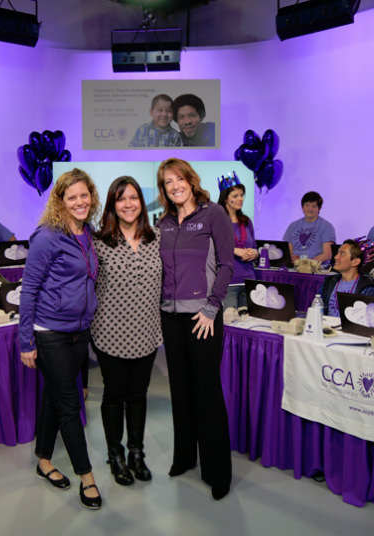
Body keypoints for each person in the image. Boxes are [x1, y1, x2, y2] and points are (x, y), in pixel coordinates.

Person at [19, 168, 103, 510]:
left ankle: (43, 460)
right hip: (50, 332)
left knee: (55, 398)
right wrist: (26, 341)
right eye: (72, 197)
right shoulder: (47, 236)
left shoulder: (88, 233)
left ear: (91, 197)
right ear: (60, 201)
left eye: (84, 195)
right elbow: (29, 291)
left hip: (79, 333)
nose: (80, 202)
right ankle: (87, 477)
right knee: (70, 404)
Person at [156, 157, 234, 500]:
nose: (174, 186)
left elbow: (227, 265)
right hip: (170, 317)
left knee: (207, 392)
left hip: (203, 317)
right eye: (167, 182)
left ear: (190, 179)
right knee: (181, 390)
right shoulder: (164, 222)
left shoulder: (213, 213)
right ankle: (184, 457)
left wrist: (211, 308)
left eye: (178, 179)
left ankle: (218, 472)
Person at [91, 176, 162, 486]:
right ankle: (115, 454)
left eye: (133, 197)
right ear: (112, 205)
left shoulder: (157, 237)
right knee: (114, 395)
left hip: (147, 331)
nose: (128, 204)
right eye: (121, 199)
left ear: (141, 203)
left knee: (138, 395)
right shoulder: (99, 242)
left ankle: (136, 453)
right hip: (109, 332)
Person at [217, 174, 257, 311]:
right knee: (230, 325)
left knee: (248, 325)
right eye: (235, 196)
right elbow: (211, 250)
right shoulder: (217, 221)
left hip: (249, 280)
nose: (240, 199)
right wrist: (234, 250)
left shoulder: (246, 221)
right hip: (229, 283)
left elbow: (255, 247)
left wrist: (254, 253)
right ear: (225, 198)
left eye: (241, 195)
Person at [317, 239, 374, 317]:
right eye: (337, 253)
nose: (335, 257)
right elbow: (317, 310)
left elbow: (372, 319)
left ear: (355, 262)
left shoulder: (370, 287)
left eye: (342, 254)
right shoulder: (328, 282)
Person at [283, 191, 336, 263]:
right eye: (307, 205)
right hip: (294, 268)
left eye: (314, 206)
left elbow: (328, 254)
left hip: (317, 270)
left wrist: (305, 263)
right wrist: (293, 259)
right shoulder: (293, 226)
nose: (310, 209)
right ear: (302, 207)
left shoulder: (326, 227)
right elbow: (288, 252)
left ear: (319, 208)